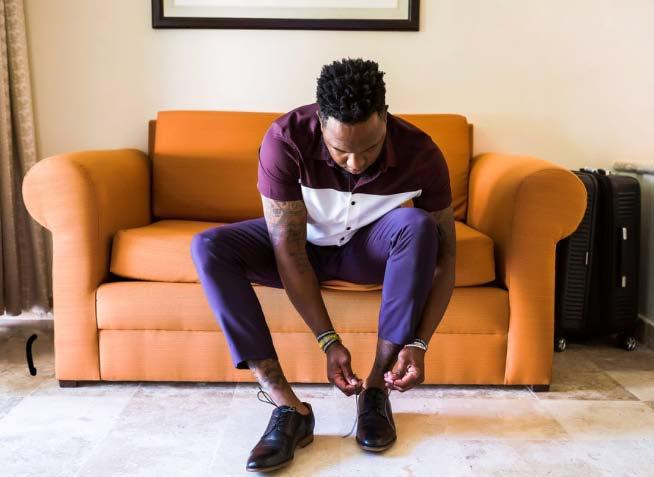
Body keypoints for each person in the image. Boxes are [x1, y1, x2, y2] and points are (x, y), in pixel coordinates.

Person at [190, 57, 456, 473]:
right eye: (340, 151)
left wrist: (420, 343)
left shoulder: (422, 153)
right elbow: (289, 251)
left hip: (366, 250)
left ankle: (375, 391)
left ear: (385, 118)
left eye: (369, 148)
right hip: (302, 246)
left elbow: (446, 255)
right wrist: (329, 341)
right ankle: (289, 408)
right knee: (209, 246)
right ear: (319, 122)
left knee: (419, 227)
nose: (355, 163)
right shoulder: (285, 140)